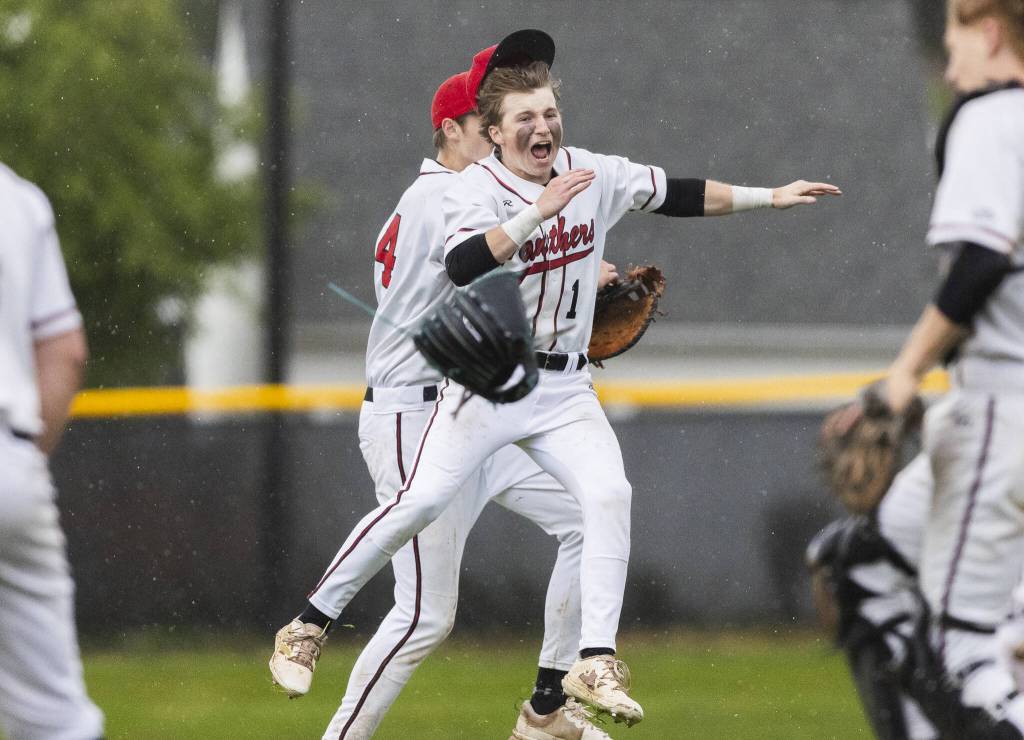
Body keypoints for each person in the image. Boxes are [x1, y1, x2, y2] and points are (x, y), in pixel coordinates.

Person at [274, 29, 839, 728]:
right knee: (424, 601)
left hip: (548, 389)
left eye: (545, 109)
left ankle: (560, 693)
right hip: (434, 400)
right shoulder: (453, 193)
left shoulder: (580, 173)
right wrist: (541, 229)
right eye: (514, 112)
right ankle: (311, 625)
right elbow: (465, 267)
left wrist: (769, 197)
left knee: (598, 504)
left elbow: (671, 192)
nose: (537, 124)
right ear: (477, 128)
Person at [270, 66, 612, 740]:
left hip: (467, 412)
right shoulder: (444, 198)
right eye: (486, 124)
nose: (501, 134)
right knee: (425, 613)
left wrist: (578, 278)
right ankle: (322, 672)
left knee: (584, 518)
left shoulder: (469, 195)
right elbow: (479, 280)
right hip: (410, 412)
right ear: (453, 131)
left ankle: (546, 713)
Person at [860, 0, 1024, 734]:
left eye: (956, 36)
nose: (949, 60)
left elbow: (983, 260)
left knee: (960, 656)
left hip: (1003, 405)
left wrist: (904, 374)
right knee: (865, 558)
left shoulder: (992, 118)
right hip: (992, 409)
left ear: (989, 32)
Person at [0, 162, 104, 739]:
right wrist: (19, 468)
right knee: (57, 719)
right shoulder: (17, 197)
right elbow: (66, 353)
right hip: (11, 461)